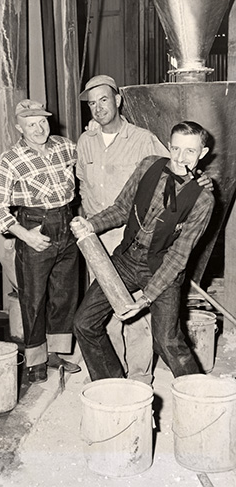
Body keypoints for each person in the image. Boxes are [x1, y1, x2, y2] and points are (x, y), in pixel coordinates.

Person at [76, 74, 212, 384]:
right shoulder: (150, 164)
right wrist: (90, 224)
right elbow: (122, 209)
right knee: (84, 322)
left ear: (201, 154)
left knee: (167, 342)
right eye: (176, 149)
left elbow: (179, 257)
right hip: (126, 258)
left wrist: (147, 297)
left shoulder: (203, 198)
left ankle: (199, 398)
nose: (180, 158)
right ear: (169, 146)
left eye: (190, 152)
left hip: (162, 267)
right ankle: (112, 384)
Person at [0, 99, 81, 383]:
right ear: (19, 127)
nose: (39, 129)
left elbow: (86, 167)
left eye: (42, 122)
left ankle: (57, 354)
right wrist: (25, 235)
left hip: (67, 221)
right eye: (31, 124)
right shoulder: (10, 158)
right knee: (34, 298)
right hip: (35, 225)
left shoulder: (66, 146)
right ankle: (35, 361)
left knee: (65, 294)